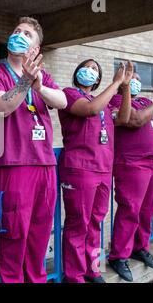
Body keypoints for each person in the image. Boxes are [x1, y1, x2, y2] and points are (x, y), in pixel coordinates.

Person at [0, 17, 67, 283]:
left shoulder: (44, 76)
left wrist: (38, 84)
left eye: (27, 34)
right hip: (14, 164)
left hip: (45, 165)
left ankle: (36, 279)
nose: (19, 34)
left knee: (40, 233)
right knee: (14, 233)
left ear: (35, 49)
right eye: (16, 31)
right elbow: (3, 106)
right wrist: (26, 82)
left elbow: (61, 101)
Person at [58, 59, 133, 283]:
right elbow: (90, 109)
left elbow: (124, 118)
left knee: (95, 222)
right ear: (77, 70)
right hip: (79, 168)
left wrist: (125, 86)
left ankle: (92, 269)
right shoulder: (70, 93)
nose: (90, 71)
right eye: (87, 67)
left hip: (102, 170)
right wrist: (116, 82)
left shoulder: (105, 102)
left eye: (95, 69)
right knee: (78, 223)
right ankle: (74, 275)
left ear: (98, 79)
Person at [108, 74, 153, 282]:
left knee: (146, 210)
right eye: (131, 77)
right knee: (130, 210)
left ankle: (139, 247)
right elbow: (135, 120)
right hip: (132, 162)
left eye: (138, 77)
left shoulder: (145, 101)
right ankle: (118, 256)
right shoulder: (117, 100)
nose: (136, 80)